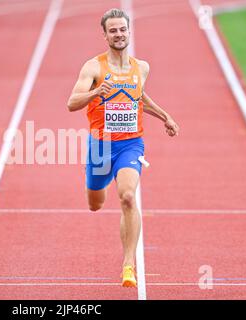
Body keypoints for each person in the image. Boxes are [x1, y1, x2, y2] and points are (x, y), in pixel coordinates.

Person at [67, 9, 179, 287]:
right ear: (105, 35)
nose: (119, 34)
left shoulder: (141, 67)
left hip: (131, 144)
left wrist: (166, 116)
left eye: (122, 29)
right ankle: (96, 183)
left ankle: (128, 264)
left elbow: (139, 97)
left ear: (129, 32)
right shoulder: (93, 67)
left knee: (128, 196)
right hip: (100, 146)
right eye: (113, 30)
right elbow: (71, 103)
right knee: (96, 204)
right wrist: (95, 92)